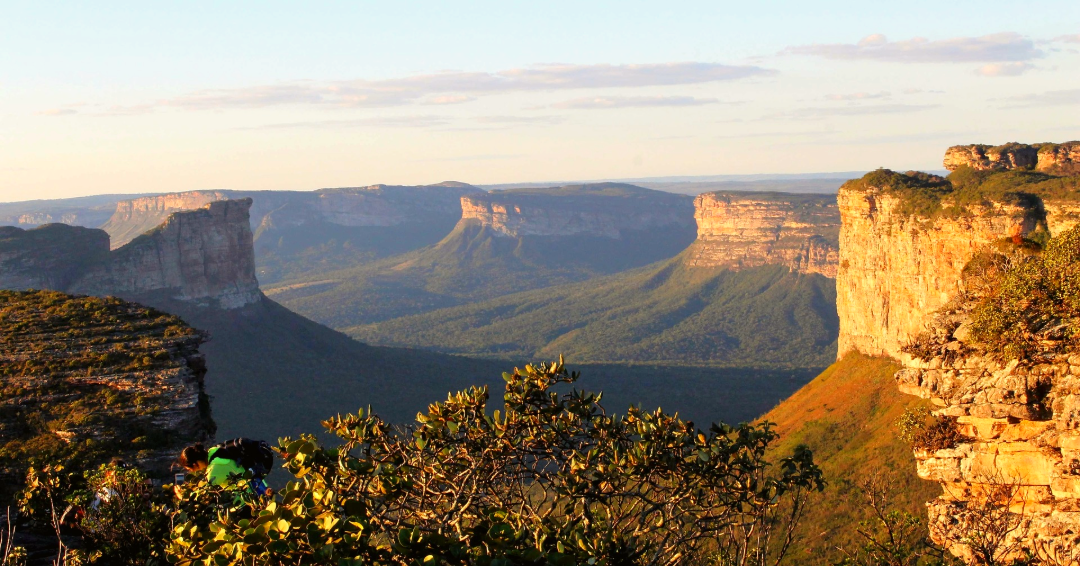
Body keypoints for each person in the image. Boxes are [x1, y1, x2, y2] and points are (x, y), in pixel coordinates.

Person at [177, 438, 274, 497]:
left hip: (250, 500)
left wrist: (182, 496)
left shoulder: (215, 467)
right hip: (260, 487)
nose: (193, 472)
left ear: (194, 464)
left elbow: (204, 494)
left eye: (190, 469)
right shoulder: (214, 451)